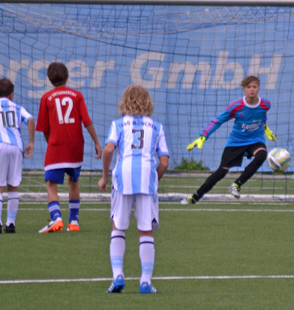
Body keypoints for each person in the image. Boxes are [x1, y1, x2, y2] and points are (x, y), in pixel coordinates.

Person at [98, 85, 169, 294]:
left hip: (123, 178)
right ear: (148, 102)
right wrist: (154, 178)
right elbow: (164, 162)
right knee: (145, 229)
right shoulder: (156, 127)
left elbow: (109, 149)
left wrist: (104, 176)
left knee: (118, 227)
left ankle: (118, 275)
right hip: (147, 177)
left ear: (125, 101)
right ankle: (145, 281)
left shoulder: (118, 124)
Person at [181, 75, 277, 204]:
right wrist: (203, 136)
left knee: (261, 155)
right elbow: (217, 121)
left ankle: (237, 184)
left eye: (255, 86)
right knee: (221, 172)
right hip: (236, 141)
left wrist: (265, 128)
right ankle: (195, 197)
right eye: (248, 87)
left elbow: (262, 115)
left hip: (255, 139)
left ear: (259, 88)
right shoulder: (236, 106)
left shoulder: (266, 104)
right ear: (243, 89)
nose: (252, 90)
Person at [36, 62, 102, 233]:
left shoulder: (46, 98)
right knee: (74, 181)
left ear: (50, 79)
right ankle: (73, 221)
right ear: (67, 77)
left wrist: (51, 141)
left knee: (51, 184)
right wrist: (96, 142)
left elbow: (44, 129)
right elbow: (86, 121)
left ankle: (56, 218)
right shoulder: (77, 95)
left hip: (56, 145)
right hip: (75, 146)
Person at [0, 78, 35, 234]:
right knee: (13, 186)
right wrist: (31, 142)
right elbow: (30, 119)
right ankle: (11, 224)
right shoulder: (17, 107)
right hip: (16, 147)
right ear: (11, 95)